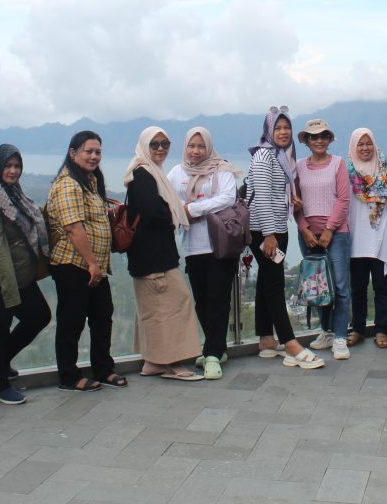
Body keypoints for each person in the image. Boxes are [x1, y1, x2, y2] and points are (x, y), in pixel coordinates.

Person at [0, 144, 53, 405]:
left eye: (17, 166)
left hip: (18, 277)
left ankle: (0, 362)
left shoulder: (11, 193)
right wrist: (10, 294)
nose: (13, 171)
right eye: (8, 166)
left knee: (39, 316)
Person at [46, 130, 125, 392]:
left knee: (102, 317)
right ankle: (69, 376)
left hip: (94, 266)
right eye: (88, 151)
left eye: (98, 152)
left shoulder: (90, 181)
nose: (94, 156)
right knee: (72, 321)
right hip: (73, 264)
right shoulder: (68, 184)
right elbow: (73, 227)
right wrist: (92, 263)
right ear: (73, 153)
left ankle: (103, 369)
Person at [124, 126, 204, 381]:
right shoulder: (143, 174)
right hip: (154, 257)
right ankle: (173, 363)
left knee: (153, 311)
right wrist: (175, 212)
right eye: (154, 144)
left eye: (165, 144)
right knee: (177, 305)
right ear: (144, 146)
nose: (160, 149)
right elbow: (153, 213)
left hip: (146, 256)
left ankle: (153, 362)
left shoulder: (150, 172)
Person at [248, 107, 325, 369]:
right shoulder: (264, 156)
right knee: (274, 285)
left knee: (265, 281)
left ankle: (266, 340)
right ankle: (290, 344)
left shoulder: (279, 155)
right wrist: (269, 235)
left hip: (275, 228)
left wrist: (291, 200)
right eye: (278, 128)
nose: (283, 132)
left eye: (286, 127)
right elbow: (261, 199)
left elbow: (273, 192)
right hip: (265, 231)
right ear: (268, 131)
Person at [168, 126, 240, 380]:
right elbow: (167, 198)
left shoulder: (222, 169)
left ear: (209, 147)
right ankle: (216, 348)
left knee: (218, 300)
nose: (196, 151)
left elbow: (228, 198)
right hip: (193, 247)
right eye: (191, 145)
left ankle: (212, 354)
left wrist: (193, 209)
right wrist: (184, 208)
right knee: (202, 301)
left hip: (220, 246)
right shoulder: (177, 172)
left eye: (201, 146)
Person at [346, 128, 387, 350]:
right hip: (356, 238)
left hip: (382, 236)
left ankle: (381, 330)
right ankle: (357, 329)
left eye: (368, 143)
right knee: (358, 288)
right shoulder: (347, 171)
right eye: (360, 144)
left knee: (382, 288)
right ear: (353, 146)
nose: (365, 148)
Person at [294, 119, 353, 359]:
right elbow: (295, 202)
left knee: (340, 286)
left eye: (323, 136)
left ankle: (340, 337)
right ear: (307, 141)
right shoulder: (298, 167)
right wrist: (304, 229)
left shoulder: (338, 163)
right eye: (314, 137)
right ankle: (326, 331)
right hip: (308, 235)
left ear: (329, 139)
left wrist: (329, 229)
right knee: (317, 285)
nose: (319, 140)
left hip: (336, 233)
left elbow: (343, 199)